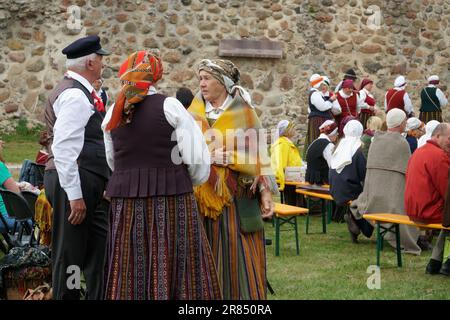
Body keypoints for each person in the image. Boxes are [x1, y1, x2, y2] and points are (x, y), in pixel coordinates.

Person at [102, 51, 221, 299]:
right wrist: (182, 179)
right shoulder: (170, 106)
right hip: (172, 199)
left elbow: (114, 162)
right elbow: (197, 159)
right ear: (156, 75)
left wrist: (132, 178)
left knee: (129, 268)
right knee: (179, 268)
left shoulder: (114, 111)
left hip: (126, 203)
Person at [188, 58, 277, 300]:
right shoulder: (192, 114)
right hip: (201, 200)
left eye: (207, 78)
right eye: (200, 79)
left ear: (224, 83)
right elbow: (180, 151)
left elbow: (260, 155)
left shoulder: (244, 113)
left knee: (238, 256)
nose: (202, 84)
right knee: (203, 256)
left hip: (238, 200)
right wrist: (208, 155)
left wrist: (265, 191)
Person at [43, 35, 111, 300]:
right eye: (102, 59)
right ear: (91, 61)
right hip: (74, 182)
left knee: (100, 252)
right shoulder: (74, 95)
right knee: (70, 256)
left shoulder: (82, 92)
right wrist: (75, 196)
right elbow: (63, 148)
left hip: (89, 182)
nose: (104, 64)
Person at [349, 109, 421, 255]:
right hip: (392, 199)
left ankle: (357, 222)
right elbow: (408, 171)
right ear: (401, 123)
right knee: (402, 206)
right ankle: (411, 240)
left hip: (372, 194)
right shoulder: (402, 143)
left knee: (366, 204)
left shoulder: (377, 139)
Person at [405, 123, 450, 275]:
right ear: (438, 136)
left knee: (448, 217)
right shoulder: (439, 156)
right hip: (427, 211)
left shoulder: (419, 151)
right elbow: (447, 191)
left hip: (413, 209)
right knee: (448, 215)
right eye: (449, 138)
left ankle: (436, 262)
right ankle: (445, 262)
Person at [329, 120, 373, 240]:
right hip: (349, 191)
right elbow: (364, 175)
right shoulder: (357, 151)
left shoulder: (338, 148)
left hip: (334, 189)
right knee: (369, 197)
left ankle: (353, 220)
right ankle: (359, 224)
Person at [0, 140, 32, 235]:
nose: (2, 143)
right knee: (39, 217)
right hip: (6, 219)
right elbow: (17, 195)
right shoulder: (0, 167)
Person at [303, 74, 338, 158]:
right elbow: (322, 107)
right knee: (317, 138)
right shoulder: (315, 94)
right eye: (321, 84)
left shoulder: (317, 93)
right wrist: (331, 100)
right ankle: (317, 156)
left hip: (320, 119)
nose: (322, 86)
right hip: (318, 120)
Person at [271, 120, 302, 205]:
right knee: (291, 200)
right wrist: (282, 183)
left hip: (294, 176)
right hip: (289, 178)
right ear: (287, 131)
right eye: (292, 127)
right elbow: (281, 164)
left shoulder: (286, 142)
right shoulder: (283, 144)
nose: (294, 129)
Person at [305, 120, 338, 185]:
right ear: (332, 133)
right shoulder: (328, 145)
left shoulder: (313, 143)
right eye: (336, 132)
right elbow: (332, 166)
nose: (337, 134)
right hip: (322, 182)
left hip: (310, 181)